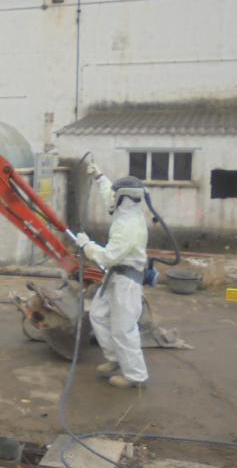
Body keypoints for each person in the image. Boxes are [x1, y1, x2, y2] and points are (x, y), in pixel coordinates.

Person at [75, 164, 149, 388]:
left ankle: (135, 376)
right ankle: (115, 359)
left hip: (127, 281)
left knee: (123, 329)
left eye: (116, 195)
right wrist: (99, 176)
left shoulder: (128, 225)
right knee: (98, 314)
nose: (112, 198)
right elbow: (109, 192)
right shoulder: (126, 209)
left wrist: (87, 245)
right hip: (115, 278)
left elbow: (108, 257)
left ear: (124, 198)